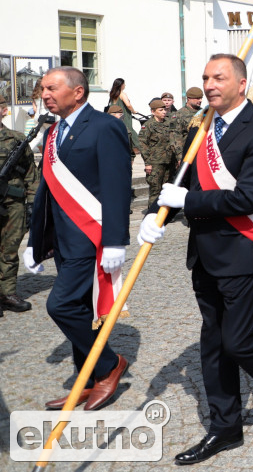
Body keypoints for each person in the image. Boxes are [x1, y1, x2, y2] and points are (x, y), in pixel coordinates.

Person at [139, 54, 253, 464]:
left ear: (242, 83)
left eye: (219, 77)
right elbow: (185, 183)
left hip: (243, 250)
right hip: (205, 254)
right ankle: (226, 428)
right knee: (212, 343)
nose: (210, 85)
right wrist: (158, 217)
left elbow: (246, 197)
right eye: (206, 78)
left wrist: (189, 200)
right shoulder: (202, 127)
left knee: (238, 340)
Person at [25, 66, 131, 410]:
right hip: (63, 240)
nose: (44, 94)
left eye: (52, 88)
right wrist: (33, 243)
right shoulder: (54, 132)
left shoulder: (106, 126)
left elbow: (117, 186)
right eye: (43, 89)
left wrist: (116, 240)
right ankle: (87, 381)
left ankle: (109, 365)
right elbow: (46, 190)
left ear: (78, 92)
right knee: (83, 310)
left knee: (61, 305)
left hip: (91, 236)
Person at [0, 94, 39, 313]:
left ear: (4, 110)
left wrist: (33, 202)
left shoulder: (16, 139)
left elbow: (31, 175)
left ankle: (7, 293)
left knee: (10, 248)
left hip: (13, 204)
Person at [138, 98, 174, 204]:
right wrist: (147, 163)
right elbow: (143, 145)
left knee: (167, 189)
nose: (164, 112)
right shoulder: (148, 126)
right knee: (155, 190)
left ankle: (164, 215)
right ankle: (153, 215)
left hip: (169, 161)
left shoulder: (169, 123)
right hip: (155, 163)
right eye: (160, 110)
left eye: (164, 110)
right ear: (153, 112)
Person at [167, 86, 204, 162]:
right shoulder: (179, 115)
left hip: (202, 154)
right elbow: (175, 138)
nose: (200, 100)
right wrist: (180, 157)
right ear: (189, 98)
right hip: (187, 154)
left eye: (201, 98)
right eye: (197, 98)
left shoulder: (204, 112)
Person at [106, 77, 139, 156]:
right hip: (123, 114)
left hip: (113, 115)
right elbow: (128, 105)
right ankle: (137, 147)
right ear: (121, 85)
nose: (125, 85)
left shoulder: (112, 94)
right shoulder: (122, 94)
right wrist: (134, 111)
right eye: (124, 84)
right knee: (129, 130)